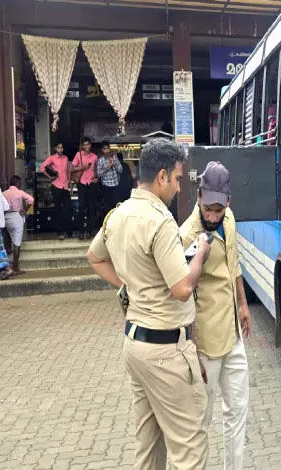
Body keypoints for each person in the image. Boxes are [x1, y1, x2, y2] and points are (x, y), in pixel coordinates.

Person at [86, 138, 211, 469]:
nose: (179, 186)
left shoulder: (118, 214)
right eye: (178, 179)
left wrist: (130, 284)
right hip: (165, 352)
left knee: (149, 446)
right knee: (189, 448)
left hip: (136, 345)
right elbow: (183, 287)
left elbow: (94, 257)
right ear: (162, 176)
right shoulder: (160, 220)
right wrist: (200, 255)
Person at [179, 161, 251, 470]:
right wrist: (190, 346)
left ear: (228, 203)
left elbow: (233, 264)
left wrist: (244, 304)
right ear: (198, 197)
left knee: (237, 412)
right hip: (204, 342)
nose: (212, 216)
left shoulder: (230, 219)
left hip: (233, 333)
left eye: (218, 210)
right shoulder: (185, 236)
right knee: (201, 420)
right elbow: (180, 295)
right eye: (208, 208)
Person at [2, 176, 34, 275]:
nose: (20, 185)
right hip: (17, 216)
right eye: (19, 183)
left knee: (7, 238)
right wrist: (25, 209)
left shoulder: (3, 193)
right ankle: (15, 267)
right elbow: (31, 199)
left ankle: (6, 266)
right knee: (17, 244)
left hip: (6, 217)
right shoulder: (20, 192)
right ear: (17, 183)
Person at [40, 142, 73, 240]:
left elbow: (68, 172)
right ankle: (60, 232)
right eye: (58, 147)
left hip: (65, 186)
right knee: (58, 209)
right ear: (55, 148)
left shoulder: (66, 158)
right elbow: (42, 168)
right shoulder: (52, 158)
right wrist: (50, 176)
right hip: (56, 186)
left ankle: (69, 231)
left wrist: (70, 184)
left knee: (68, 208)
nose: (60, 149)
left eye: (62, 147)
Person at [72, 137, 99, 239]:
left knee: (92, 208)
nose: (87, 146)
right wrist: (83, 167)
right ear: (82, 146)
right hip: (82, 183)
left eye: (88, 144)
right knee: (81, 207)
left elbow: (97, 170)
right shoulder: (78, 155)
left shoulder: (95, 157)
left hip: (91, 184)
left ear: (90, 145)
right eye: (85, 145)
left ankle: (90, 230)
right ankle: (81, 231)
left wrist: (97, 178)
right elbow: (72, 168)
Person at [96, 141, 123, 214]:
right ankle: (108, 224)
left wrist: (114, 164)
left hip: (115, 186)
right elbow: (98, 174)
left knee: (117, 208)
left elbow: (120, 170)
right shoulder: (100, 160)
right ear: (102, 150)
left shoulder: (114, 158)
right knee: (107, 208)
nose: (107, 150)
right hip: (106, 187)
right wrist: (108, 167)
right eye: (105, 149)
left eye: (108, 148)